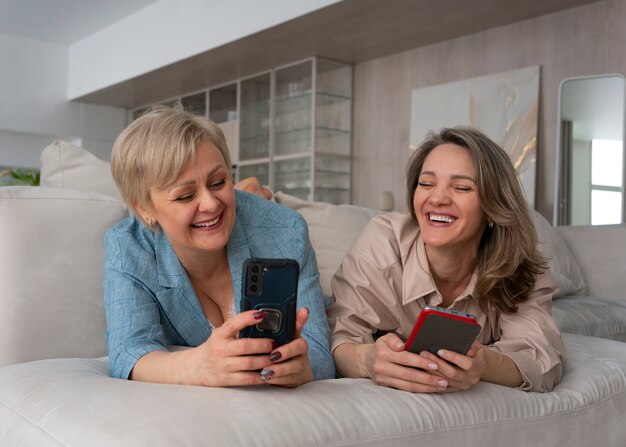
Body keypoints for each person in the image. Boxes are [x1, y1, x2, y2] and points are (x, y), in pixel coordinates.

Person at [104, 106, 335, 387]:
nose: (212, 204)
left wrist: (300, 367)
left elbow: (321, 357)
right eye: (185, 195)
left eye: (218, 182)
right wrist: (196, 366)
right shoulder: (129, 246)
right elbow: (129, 351)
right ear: (144, 208)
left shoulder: (286, 231)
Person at [328, 126, 566, 393]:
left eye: (462, 187)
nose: (437, 198)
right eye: (426, 184)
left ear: (493, 206)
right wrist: (367, 360)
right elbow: (339, 338)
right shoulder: (382, 243)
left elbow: (541, 363)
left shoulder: (517, 265)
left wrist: (483, 364)